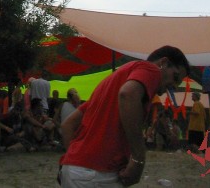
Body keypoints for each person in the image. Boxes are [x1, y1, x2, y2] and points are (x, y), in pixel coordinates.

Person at [59, 45, 190, 187]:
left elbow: (68, 125)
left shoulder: (108, 85)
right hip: (97, 175)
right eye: (175, 77)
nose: (174, 86)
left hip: (75, 172)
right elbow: (128, 94)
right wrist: (138, 158)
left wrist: (74, 163)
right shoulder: (151, 69)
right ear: (163, 63)